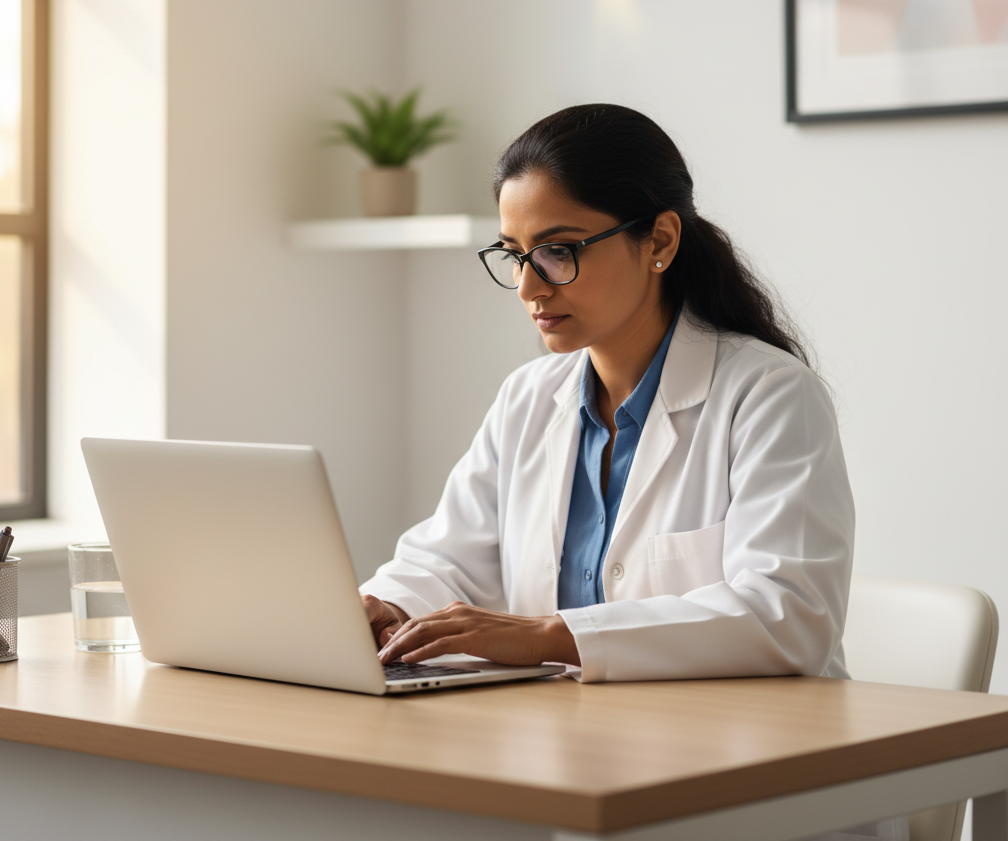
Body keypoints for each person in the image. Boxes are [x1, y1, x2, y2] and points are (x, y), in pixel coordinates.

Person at [359, 101, 856, 683]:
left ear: (659, 241)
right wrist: (388, 606)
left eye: (557, 251)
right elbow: (447, 560)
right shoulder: (528, 398)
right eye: (515, 255)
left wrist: (553, 635)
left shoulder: (770, 397)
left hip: (746, 745)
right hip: (571, 738)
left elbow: (789, 615)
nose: (527, 287)